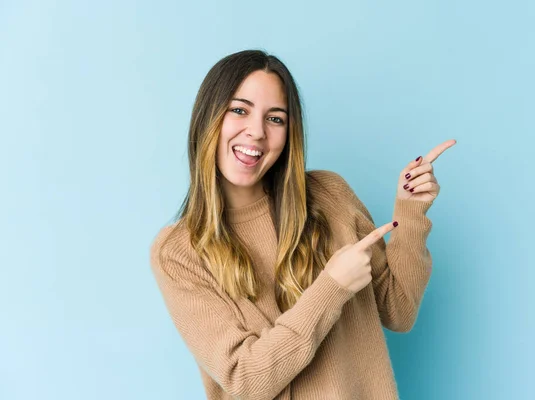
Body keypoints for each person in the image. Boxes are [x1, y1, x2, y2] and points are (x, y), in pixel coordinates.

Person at [149, 49, 456, 400]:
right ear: (208, 117)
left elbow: (399, 310)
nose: (257, 132)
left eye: (275, 118)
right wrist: (332, 287)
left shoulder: (330, 196)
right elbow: (246, 381)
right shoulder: (178, 252)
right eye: (239, 110)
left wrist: (411, 211)